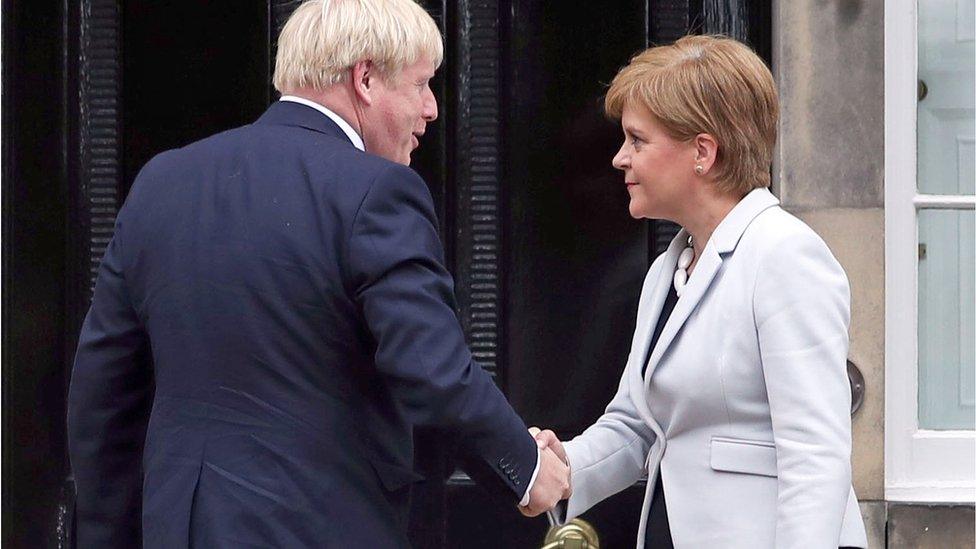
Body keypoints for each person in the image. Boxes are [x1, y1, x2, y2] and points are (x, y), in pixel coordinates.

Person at [67, 1, 569, 547]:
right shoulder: (376, 191)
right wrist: (526, 467)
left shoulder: (162, 182)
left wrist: (109, 533)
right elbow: (431, 370)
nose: (432, 108)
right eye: (422, 83)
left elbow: (104, 389)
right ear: (367, 79)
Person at [532, 35, 868, 548]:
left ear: (702, 153)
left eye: (637, 140)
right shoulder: (669, 269)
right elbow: (637, 425)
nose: (620, 159)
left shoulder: (784, 255)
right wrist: (563, 467)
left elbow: (815, 452)